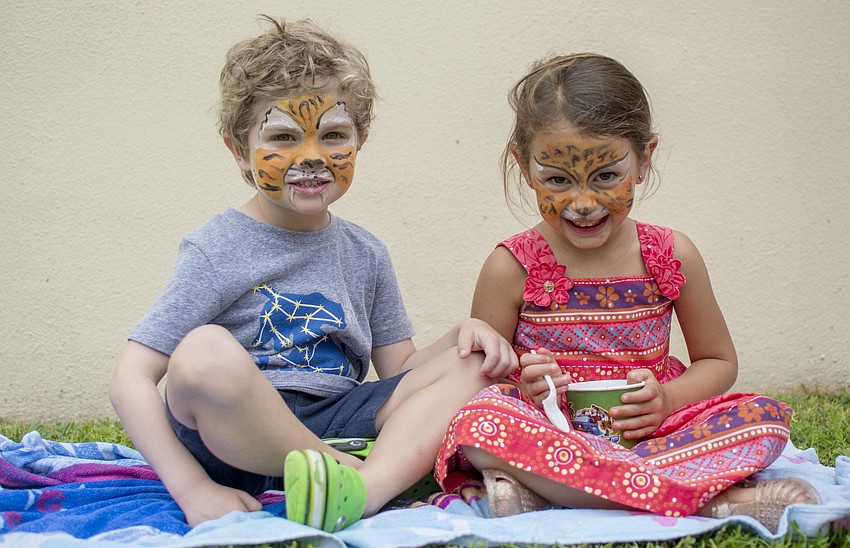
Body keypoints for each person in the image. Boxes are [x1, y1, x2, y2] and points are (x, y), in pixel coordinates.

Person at [109, 16, 517, 533]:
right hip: (231, 442)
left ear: (360, 140)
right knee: (201, 351)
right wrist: (195, 490)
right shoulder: (216, 247)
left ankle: (360, 494)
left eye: (333, 135)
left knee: (474, 365)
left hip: (337, 415)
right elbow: (130, 378)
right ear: (238, 150)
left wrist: (462, 336)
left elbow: (400, 373)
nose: (311, 157)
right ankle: (348, 472)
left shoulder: (366, 252)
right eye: (282, 136)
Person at [434, 53, 820, 534]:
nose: (583, 203)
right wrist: (528, 384)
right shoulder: (510, 266)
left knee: (760, 418)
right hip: (553, 433)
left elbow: (718, 362)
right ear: (523, 165)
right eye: (557, 180)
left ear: (643, 159)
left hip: (652, 433)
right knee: (481, 425)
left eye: (606, 176)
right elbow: (482, 378)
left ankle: (550, 495)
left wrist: (667, 399)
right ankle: (708, 503)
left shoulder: (671, 253)